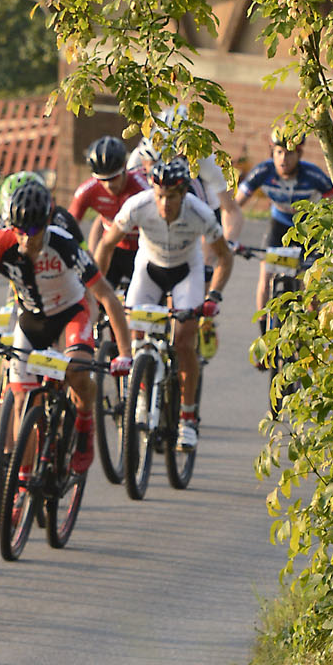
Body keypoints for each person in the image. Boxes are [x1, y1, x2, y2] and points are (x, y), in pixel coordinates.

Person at [0, 177, 132, 476]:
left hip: (71, 314)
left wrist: (124, 353)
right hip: (31, 320)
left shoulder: (64, 243)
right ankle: (21, 482)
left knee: (77, 371)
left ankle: (84, 424)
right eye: (18, 230)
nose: (26, 238)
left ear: (47, 221)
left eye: (33, 230)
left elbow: (107, 298)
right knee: (20, 398)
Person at [102, 153, 233, 450]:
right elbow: (106, 244)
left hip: (187, 272)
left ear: (184, 193)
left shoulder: (199, 212)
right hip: (149, 269)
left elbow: (225, 257)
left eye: (172, 196)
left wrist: (214, 295)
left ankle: (187, 419)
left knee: (184, 341)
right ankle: (142, 395)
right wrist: (100, 289)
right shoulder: (138, 206)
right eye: (160, 196)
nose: (165, 204)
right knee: (135, 337)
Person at [226, 129, 333, 322]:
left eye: (290, 153)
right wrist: (230, 238)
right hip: (280, 225)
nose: (284, 158)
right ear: (272, 152)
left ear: (300, 154)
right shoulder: (263, 172)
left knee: (310, 283)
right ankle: (263, 328)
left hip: (308, 229)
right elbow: (234, 207)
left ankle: (313, 328)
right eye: (279, 152)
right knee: (266, 275)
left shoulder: (313, 175)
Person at [69, 133, 148, 297]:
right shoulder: (87, 191)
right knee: (93, 298)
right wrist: (85, 252)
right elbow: (68, 226)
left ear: (125, 167)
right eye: (102, 179)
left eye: (114, 177)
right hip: (112, 251)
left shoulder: (142, 188)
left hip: (142, 251)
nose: (109, 185)